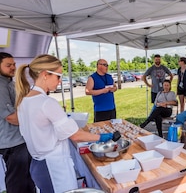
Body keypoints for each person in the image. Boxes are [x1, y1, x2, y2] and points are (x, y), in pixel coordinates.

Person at [15, 54, 117, 193]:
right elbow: (75, 135)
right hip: (53, 166)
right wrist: (103, 137)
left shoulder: (24, 100)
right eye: (58, 76)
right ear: (45, 74)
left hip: (39, 164)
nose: (60, 81)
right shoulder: (46, 102)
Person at [0, 52, 36, 193]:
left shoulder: (10, 83)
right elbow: (11, 117)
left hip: (20, 139)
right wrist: (35, 121)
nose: (13, 67)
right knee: (17, 181)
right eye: (8, 65)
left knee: (28, 177)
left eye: (14, 64)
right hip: (12, 143)